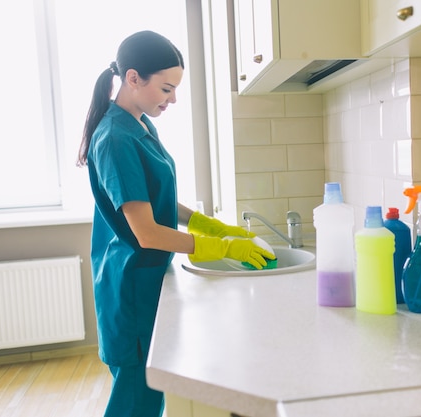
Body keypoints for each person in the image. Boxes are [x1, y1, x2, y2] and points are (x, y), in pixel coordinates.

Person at [76, 31, 274, 417]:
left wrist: (207, 224)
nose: (174, 99)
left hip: (147, 279)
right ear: (133, 78)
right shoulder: (115, 137)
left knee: (150, 397)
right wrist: (223, 248)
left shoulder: (140, 124)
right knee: (137, 401)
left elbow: (155, 196)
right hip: (131, 286)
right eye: (166, 88)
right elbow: (146, 232)